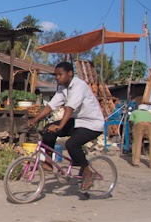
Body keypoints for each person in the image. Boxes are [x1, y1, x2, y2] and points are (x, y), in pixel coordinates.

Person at [27, 61, 106, 192]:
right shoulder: (62, 88)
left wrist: (60, 126)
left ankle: (88, 172)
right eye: (55, 75)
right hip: (77, 121)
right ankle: (48, 163)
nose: (57, 77)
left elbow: (69, 108)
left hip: (92, 124)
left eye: (60, 74)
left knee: (71, 144)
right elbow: (51, 105)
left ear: (70, 73)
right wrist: (34, 120)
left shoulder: (79, 86)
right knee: (48, 130)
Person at [129, 104, 151, 168]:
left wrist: (133, 131)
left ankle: (136, 162)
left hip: (139, 124)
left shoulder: (134, 112)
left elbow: (131, 121)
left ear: (139, 108)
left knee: (137, 144)